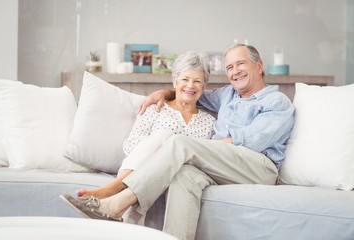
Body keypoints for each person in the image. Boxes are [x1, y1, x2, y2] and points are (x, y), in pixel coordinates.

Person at [61, 44, 295, 240]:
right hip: (224, 166)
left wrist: (206, 149)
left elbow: (252, 141)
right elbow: (191, 91)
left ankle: (117, 200)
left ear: (259, 66)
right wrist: (163, 92)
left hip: (258, 168)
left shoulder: (277, 102)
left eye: (240, 64)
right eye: (230, 67)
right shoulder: (227, 95)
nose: (235, 72)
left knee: (180, 143)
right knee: (184, 176)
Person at [61, 50, 215, 211]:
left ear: (204, 86)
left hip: (180, 177)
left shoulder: (209, 122)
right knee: (165, 136)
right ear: (175, 81)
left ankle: (112, 192)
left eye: (197, 81)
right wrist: (160, 152)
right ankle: (117, 190)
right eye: (185, 79)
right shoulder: (156, 109)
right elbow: (131, 146)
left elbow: (206, 161)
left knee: (172, 141)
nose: (190, 85)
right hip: (141, 170)